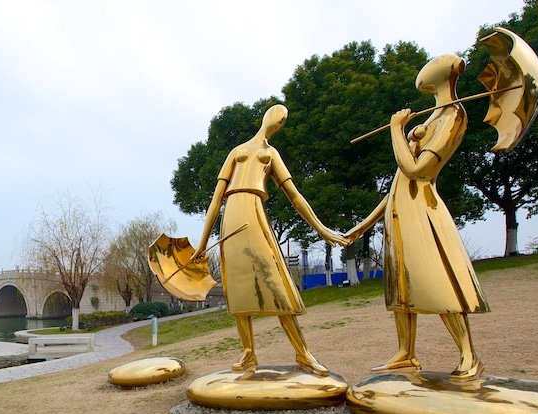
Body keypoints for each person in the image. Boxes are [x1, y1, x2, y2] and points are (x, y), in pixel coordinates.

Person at [345, 54, 489, 380]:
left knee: (437, 280)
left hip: (423, 207)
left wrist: (397, 131)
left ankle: (469, 354)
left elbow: (415, 170)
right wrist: (363, 225)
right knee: (401, 286)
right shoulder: (434, 116)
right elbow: (398, 182)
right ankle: (405, 353)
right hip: (400, 210)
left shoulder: (453, 114)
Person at [192, 104, 347, 375]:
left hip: (254, 213)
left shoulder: (271, 154)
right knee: (237, 289)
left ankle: (303, 353)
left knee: (277, 285)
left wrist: (322, 229)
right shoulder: (236, 151)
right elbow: (216, 199)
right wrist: (202, 244)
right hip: (232, 216)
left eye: (283, 119)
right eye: (278, 115)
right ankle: (248, 354)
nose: (279, 121)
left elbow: (295, 195)